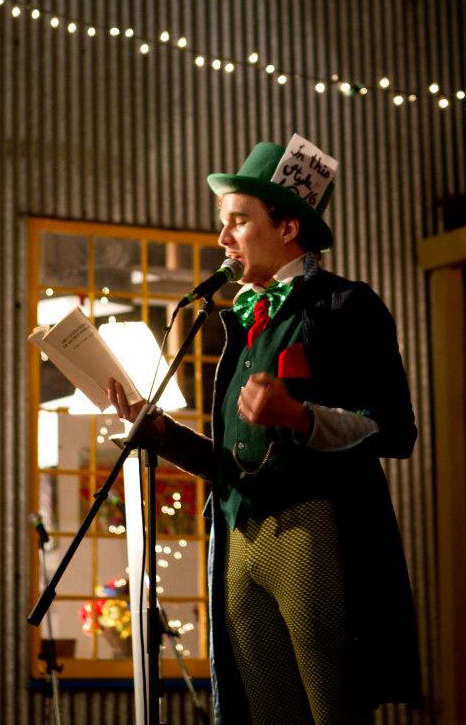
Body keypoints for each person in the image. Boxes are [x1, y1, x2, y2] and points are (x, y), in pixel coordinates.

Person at [108, 135, 422, 725]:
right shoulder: (239, 321)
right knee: (266, 712)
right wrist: (160, 433)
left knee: (333, 710)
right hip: (237, 536)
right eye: (222, 222)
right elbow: (233, 462)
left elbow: (393, 430)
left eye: (238, 221)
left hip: (312, 529)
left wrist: (298, 417)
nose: (222, 238)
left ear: (287, 227)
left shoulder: (345, 306)